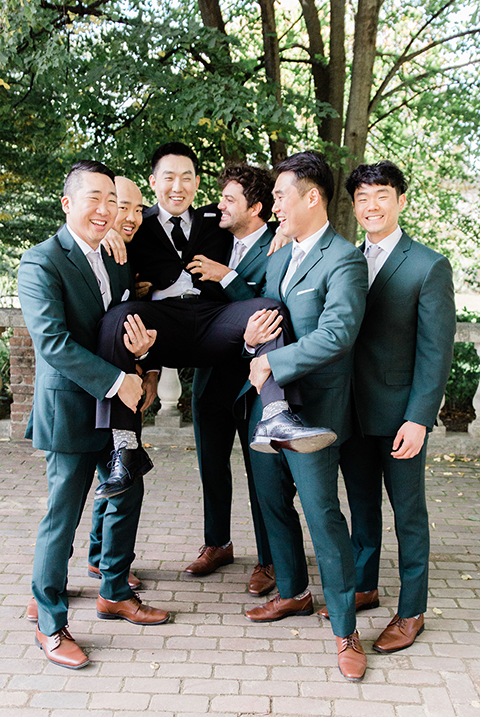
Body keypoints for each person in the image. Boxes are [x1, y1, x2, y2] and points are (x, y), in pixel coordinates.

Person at [94, 142, 335, 500]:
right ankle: (125, 446)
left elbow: (254, 217)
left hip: (212, 321)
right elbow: (98, 227)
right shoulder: (137, 225)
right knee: (116, 319)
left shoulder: (215, 218)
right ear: (153, 182)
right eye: (169, 178)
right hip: (166, 324)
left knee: (269, 307)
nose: (178, 186)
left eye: (187, 178)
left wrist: (282, 230)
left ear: (196, 183)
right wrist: (112, 230)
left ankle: (277, 414)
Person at [18, 161, 170, 670]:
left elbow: (125, 324)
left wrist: (142, 352)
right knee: (62, 516)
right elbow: (53, 342)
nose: (106, 210)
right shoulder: (41, 262)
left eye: (113, 199)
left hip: (119, 410)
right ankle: (51, 623)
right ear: (68, 204)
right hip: (71, 407)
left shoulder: (118, 258)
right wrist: (117, 380)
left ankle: (113, 590)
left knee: (129, 490)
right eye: (94, 199)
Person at [318, 161, 456, 654]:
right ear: (353, 207)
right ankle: (365, 585)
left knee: (409, 515)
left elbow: (436, 352)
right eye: (362, 198)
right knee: (362, 508)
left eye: (381, 195)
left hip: (400, 417)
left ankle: (413, 610)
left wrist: (419, 418)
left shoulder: (428, 265)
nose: (371, 205)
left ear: (400, 200)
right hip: (351, 413)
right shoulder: (344, 259)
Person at [243, 151, 369, 682]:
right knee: (271, 502)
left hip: (315, 415)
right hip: (268, 409)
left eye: (279, 194)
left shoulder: (344, 259)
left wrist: (274, 358)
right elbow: (263, 316)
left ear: (312, 196)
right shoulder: (278, 256)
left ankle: (345, 630)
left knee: (323, 516)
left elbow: (338, 334)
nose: (272, 204)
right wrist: (251, 339)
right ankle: (293, 593)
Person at [185, 165, 279, 593]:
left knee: (263, 470)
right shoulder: (214, 233)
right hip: (210, 376)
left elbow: (268, 304)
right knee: (211, 466)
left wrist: (227, 276)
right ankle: (216, 543)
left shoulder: (280, 245)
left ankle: (269, 558)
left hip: (253, 380)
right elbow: (165, 216)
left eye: (230, 199)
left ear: (256, 209)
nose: (219, 205)